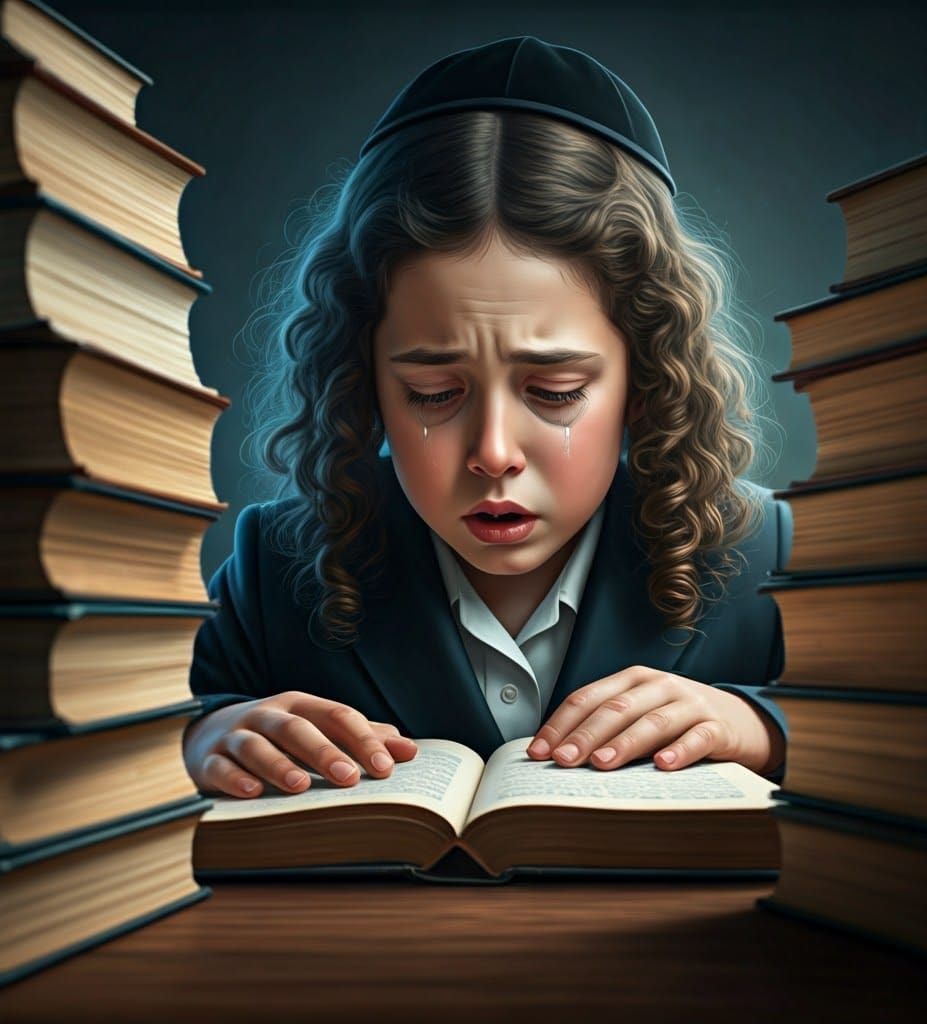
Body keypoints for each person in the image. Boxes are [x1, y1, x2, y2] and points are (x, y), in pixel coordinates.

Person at [185, 35, 791, 801]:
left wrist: (761, 726)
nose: (495, 453)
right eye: (435, 394)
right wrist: (204, 735)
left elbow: (916, 741)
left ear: (645, 379)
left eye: (557, 391)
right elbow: (161, 721)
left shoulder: (768, 560)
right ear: (363, 384)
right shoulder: (275, 568)